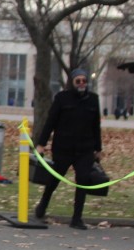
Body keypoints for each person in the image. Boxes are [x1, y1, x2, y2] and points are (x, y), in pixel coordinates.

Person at [34, 68, 103, 230]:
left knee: (83, 181)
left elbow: (96, 126)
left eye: (84, 81)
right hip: (63, 148)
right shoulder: (62, 98)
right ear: (72, 82)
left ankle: (77, 218)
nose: (81, 84)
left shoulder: (93, 100)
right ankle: (42, 205)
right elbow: (50, 122)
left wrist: (98, 149)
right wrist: (42, 144)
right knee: (55, 179)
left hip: (85, 149)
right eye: (78, 81)